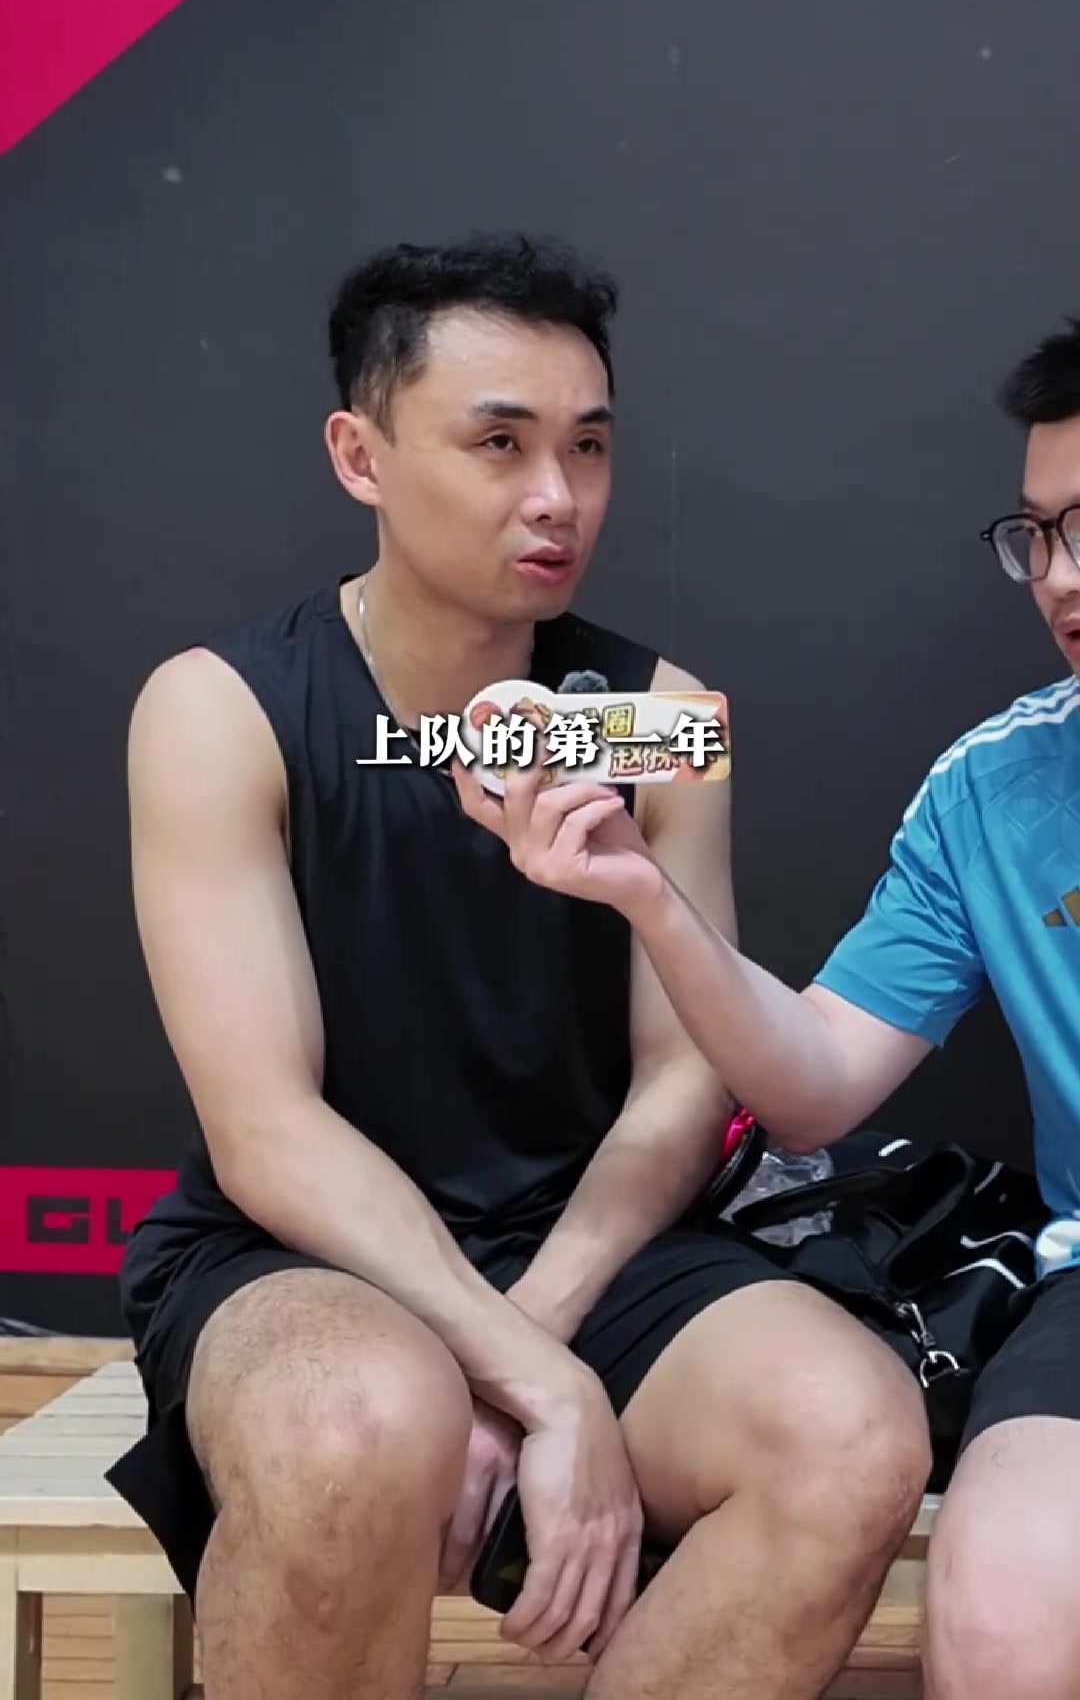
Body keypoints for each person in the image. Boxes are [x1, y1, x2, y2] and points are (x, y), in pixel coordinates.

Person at [106, 232, 929, 1700]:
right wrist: (532, 1380)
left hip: (588, 1242)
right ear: (360, 456)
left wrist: (528, 1339)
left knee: (849, 1434)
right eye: (501, 443)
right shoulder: (217, 709)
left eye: (587, 446)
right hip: (299, 1254)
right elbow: (265, 1128)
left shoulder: (662, 713)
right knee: (359, 1425)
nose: (558, 495)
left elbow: (683, 1086)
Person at [457, 309, 1080, 1700]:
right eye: (1037, 534)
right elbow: (810, 1088)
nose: (1056, 577)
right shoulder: (994, 789)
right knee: (1004, 1618)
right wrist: (648, 900)